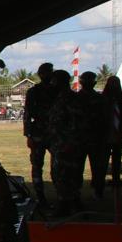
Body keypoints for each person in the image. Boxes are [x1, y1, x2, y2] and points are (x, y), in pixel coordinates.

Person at [46, 69, 86, 216]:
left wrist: (69, 142)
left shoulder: (70, 99)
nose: (51, 84)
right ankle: (72, 203)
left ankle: (66, 206)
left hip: (67, 145)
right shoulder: (61, 98)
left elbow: (76, 123)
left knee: (64, 175)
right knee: (63, 175)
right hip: (60, 144)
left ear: (60, 82)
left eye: (54, 81)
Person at [23, 63, 55, 207]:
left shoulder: (55, 91)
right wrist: (28, 135)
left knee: (50, 167)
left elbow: (27, 116)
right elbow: (28, 115)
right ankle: (41, 196)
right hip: (43, 133)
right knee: (38, 166)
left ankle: (50, 196)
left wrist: (28, 134)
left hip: (48, 134)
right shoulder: (35, 92)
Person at [76, 71, 107, 199]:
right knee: (95, 167)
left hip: (85, 138)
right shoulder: (100, 99)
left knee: (80, 167)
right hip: (91, 138)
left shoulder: (76, 98)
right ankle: (96, 191)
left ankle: (80, 191)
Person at [101, 76, 122, 193]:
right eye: (112, 83)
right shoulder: (102, 101)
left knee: (117, 160)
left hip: (117, 135)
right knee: (103, 161)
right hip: (105, 135)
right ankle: (100, 183)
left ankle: (116, 180)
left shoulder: (120, 102)